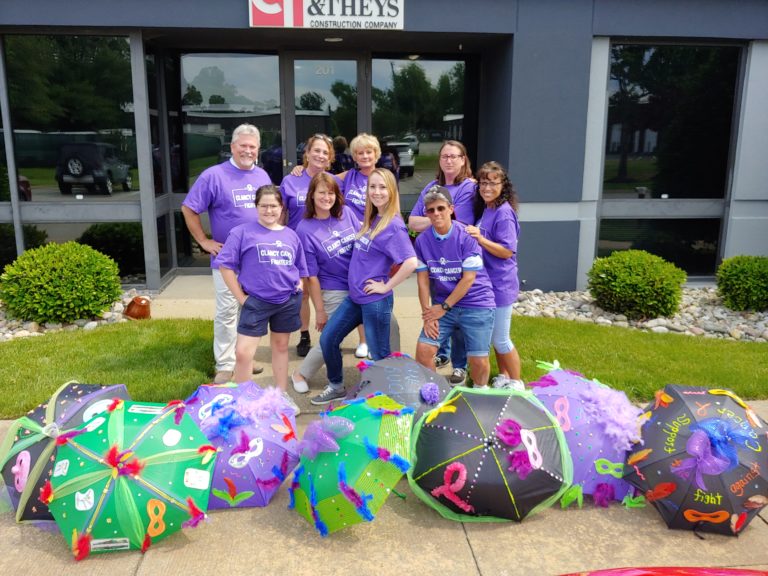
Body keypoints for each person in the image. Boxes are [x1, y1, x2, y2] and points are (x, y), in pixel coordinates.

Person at [311, 168, 417, 405]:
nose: (377, 192)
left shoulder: (393, 225)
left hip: (375, 302)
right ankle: (336, 386)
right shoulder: (372, 219)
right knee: (328, 338)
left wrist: (386, 286)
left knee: (380, 356)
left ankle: (389, 400)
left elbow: (411, 262)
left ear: (392, 191)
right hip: (356, 298)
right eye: (372, 187)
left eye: (382, 187)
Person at [181, 123, 270, 384]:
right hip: (227, 258)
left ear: (258, 150)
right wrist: (204, 241)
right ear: (232, 147)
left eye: (252, 147)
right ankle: (225, 364)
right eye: (243, 145)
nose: (248, 150)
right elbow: (189, 209)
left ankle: (245, 358)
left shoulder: (262, 177)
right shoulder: (213, 175)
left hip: (257, 259)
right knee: (228, 311)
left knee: (251, 310)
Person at [214, 185, 307, 413]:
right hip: (255, 301)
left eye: (273, 206)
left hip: (286, 300)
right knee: (243, 353)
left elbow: (300, 267)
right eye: (263, 205)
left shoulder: (290, 235)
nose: (269, 210)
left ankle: (281, 396)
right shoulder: (242, 232)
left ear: (281, 208)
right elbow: (225, 266)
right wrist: (241, 298)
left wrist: (300, 283)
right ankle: (243, 401)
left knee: (281, 346)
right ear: (256, 207)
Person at [407, 140, 476, 383]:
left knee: (458, 310)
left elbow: (462, 223)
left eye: (454, 156)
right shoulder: (431, 186)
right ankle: (442, 354)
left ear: (463, 159)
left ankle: (460, 364)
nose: (448, 160)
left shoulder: (469, 187)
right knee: (440, 305)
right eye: (444, 156)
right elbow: (412, 223)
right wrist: (440, 219)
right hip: (435, 257)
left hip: (459, 256)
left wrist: (434, 220)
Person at [413, 186, 496, 389]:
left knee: (478, 361)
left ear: (451, 208)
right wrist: (427, 314)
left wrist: (443, 308)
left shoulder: (466, 235)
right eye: (431, 210)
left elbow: (468, 279)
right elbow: (423, 280)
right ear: (426, 213)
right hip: (445, 306)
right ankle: (437, 395)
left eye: (441, 208)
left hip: (476, 303)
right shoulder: (423, 241)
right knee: (424, 350)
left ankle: (479, 394)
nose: (436, 214)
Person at [292, 173, 361, 394]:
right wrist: (319, 310)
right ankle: (300, 373)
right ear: (311, 195)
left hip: (358, 283)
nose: (327, 197)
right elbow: (311, 276)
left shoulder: (347, 214)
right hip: (333, 288)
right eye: (321, 192)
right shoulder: (305, 228)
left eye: (331, 192)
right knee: (332, 335)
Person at [280, 134, 341, 357]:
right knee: (302, 293)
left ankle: (332, 332)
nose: (320, 155)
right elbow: (282, 213)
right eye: (316, 150)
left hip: (324, 244)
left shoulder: (332, 181)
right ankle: (304, 334)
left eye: (325, 152)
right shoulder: (291, 180)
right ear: (306, 154)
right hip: (296, 245)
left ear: (330, 158)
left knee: (326, 290)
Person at [466, 161, 523, 390]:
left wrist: (480, 239)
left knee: (501, 338)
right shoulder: (488, 208)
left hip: (501, 284)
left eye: (493, 183)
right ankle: (505, 376)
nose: (487, 187)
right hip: (487, 283)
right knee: (494, 338)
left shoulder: (504, 213)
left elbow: (507, 250)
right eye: (483, 182)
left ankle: (517, 382)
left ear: (503, 186)